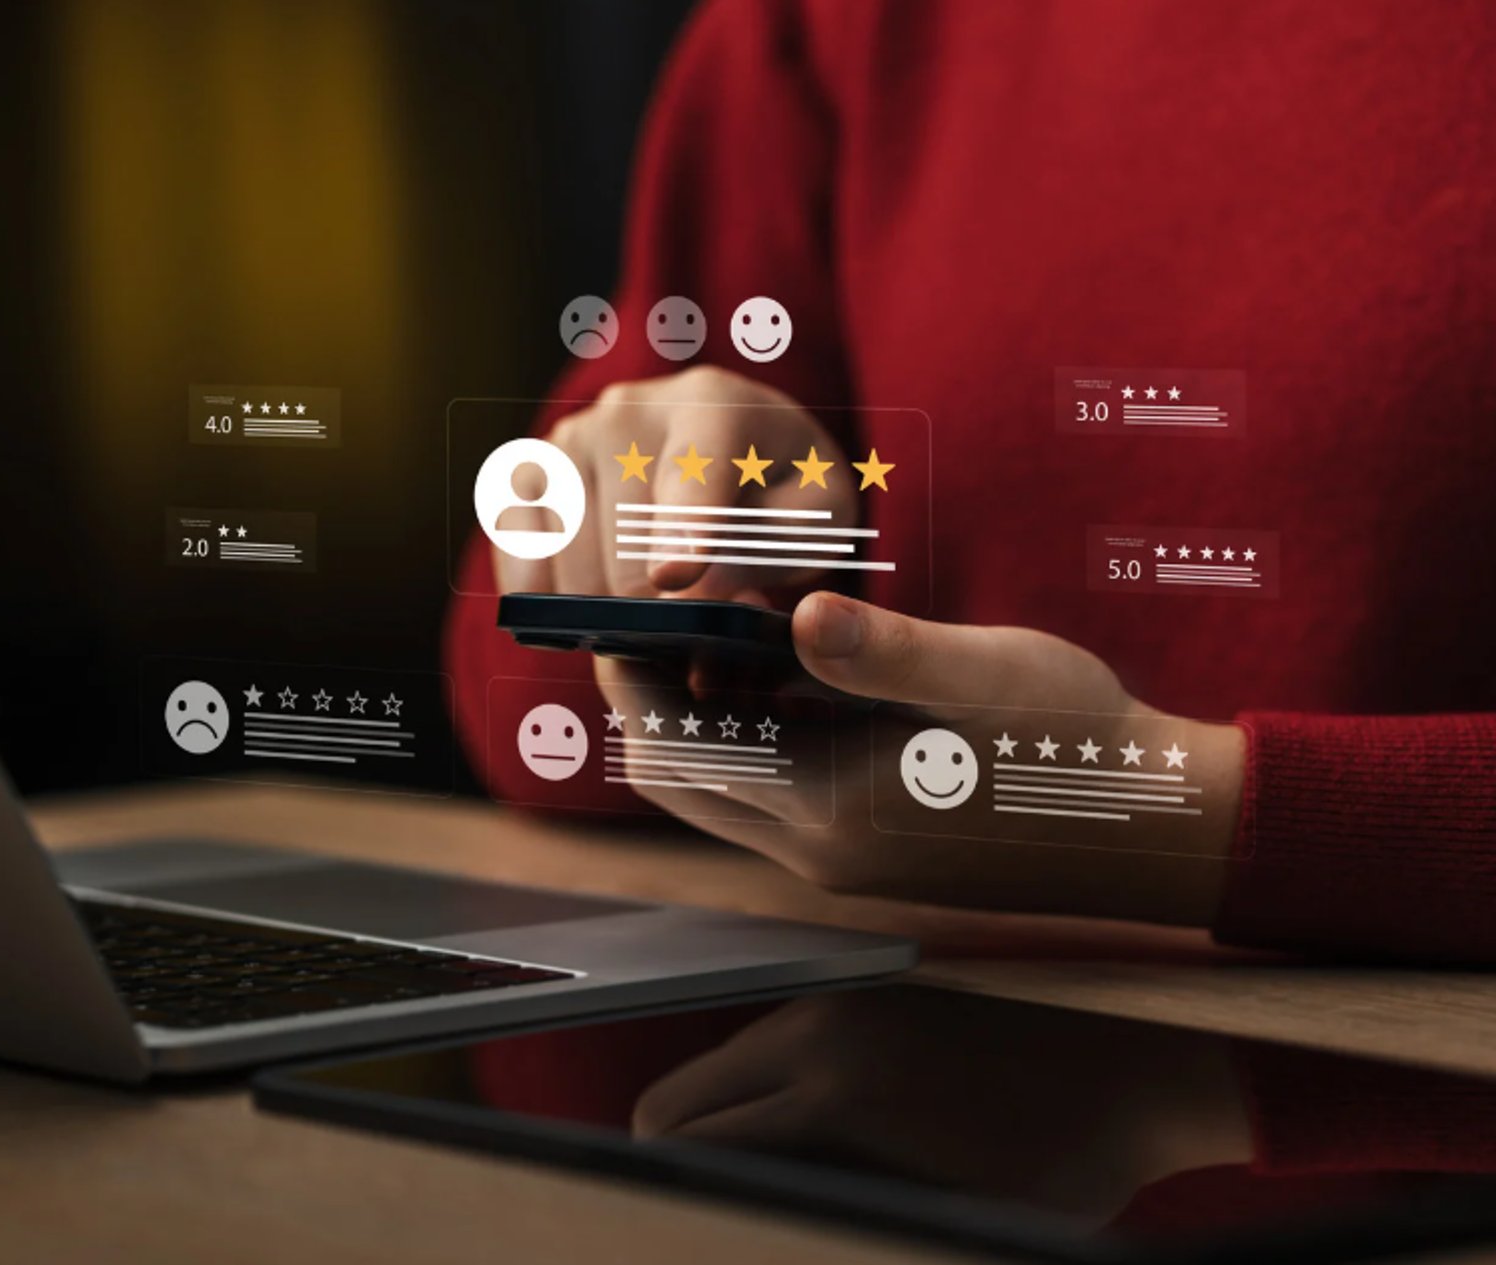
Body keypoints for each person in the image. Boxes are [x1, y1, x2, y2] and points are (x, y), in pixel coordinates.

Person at [444, 0, 1496, 961]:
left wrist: (1173, 812)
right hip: (889, 1046)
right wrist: (694, 551)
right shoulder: (835, 25)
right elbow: (539, 730)